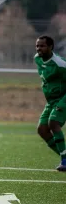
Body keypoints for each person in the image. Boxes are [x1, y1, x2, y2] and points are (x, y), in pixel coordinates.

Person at [35, 35, 66, 171]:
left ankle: (65, 160)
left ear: (50, 47)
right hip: (51, 101)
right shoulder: (37, 59)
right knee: (42, 130)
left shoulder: (60, 64)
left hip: (63, 97)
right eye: (37, 46)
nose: (39, 49)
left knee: (53, 122)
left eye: (42, 46)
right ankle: (65, 157)